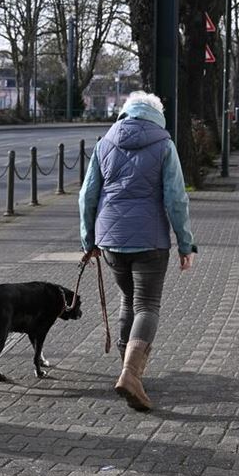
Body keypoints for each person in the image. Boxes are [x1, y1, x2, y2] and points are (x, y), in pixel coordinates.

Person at [79, 91, 197, 411]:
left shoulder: (105, 143)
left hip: (111, 239)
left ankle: (128, 369)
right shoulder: (164, 144)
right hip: (150, 240)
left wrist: (88, 240)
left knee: (127, 300)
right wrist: (185, 244)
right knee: (147, 305)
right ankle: (131, 373)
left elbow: (87, 195)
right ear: (157, 115)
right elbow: (176, 199)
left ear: (126, 112)